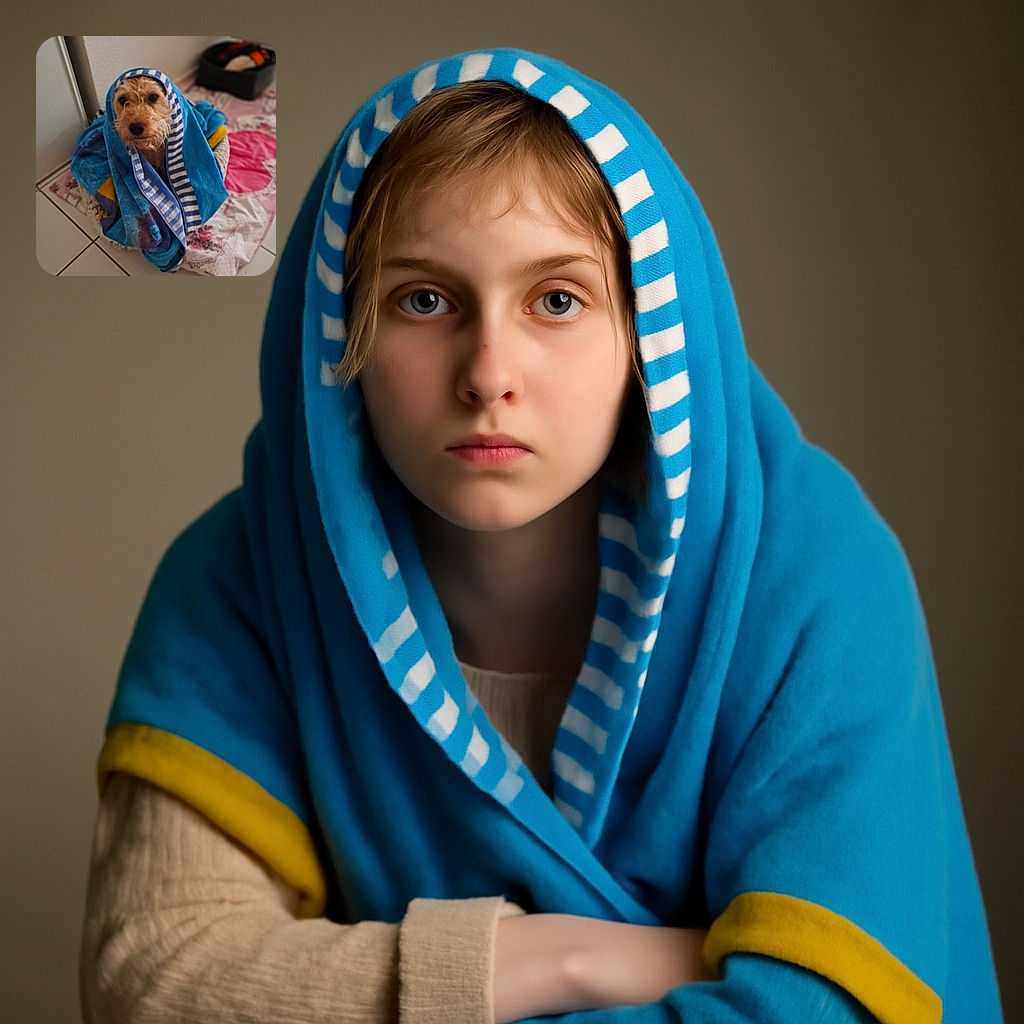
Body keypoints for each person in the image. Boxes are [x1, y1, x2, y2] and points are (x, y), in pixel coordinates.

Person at [80, 49, 1003, 1023]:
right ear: (338, 334)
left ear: (649, 336)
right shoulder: (244, 576)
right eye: (423, 300)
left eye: (557, 300)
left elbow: (824, 1011)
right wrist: (560, 958)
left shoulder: (817, 577)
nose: (489, 374)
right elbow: (154, 980)